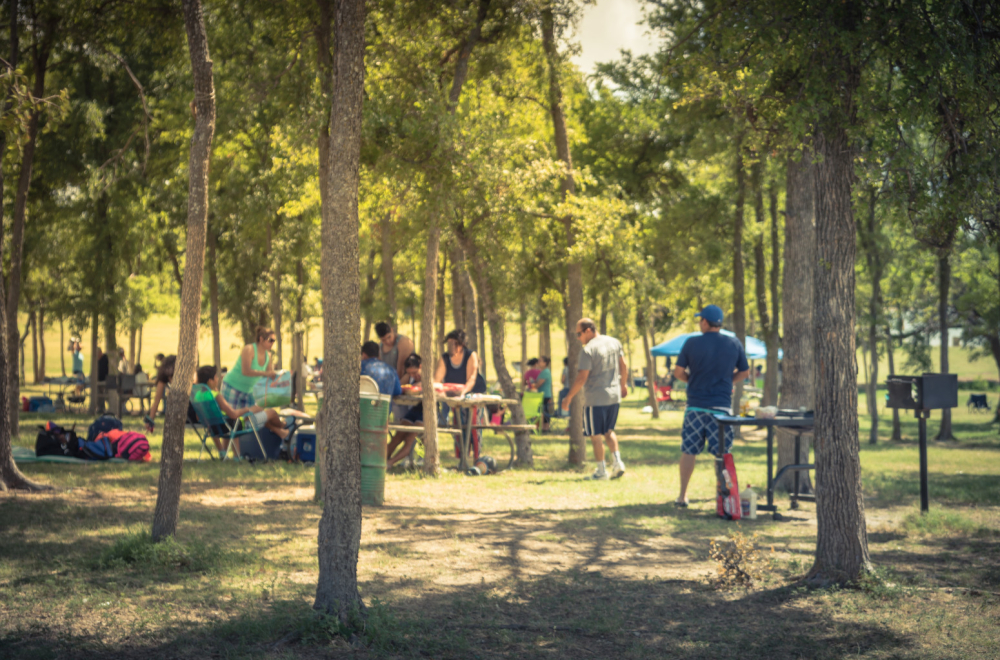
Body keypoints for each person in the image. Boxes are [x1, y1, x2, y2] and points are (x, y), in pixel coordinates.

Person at [672, 304, 750, 507]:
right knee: (722, 454)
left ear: (705, 322)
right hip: (721, 409)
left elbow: (678, 372)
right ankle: (724, 498)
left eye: (700, 320)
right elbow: (745, 372)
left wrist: (694, 381)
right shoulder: (734, 343)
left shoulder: (691, 343)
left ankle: (682, 496)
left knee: (689, 451)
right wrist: (727, 382)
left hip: (695, 408)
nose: (699, 323)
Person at [562, 318, 629, 480]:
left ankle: (601, 471)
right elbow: (624, 365)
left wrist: (568, 397)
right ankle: (618, 463)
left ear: (588, 331)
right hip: (614, 396)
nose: (578, 338)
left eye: (579, 334)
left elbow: (581, 377)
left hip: (595, 398)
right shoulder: (614, 342)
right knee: (609, 431)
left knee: (595, 434)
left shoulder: (588, 350)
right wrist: (623, 385)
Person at [193, 365, 290, 459]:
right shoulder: (216, 396)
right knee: (271, 412)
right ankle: (283, 425)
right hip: (236, 426)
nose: (218, 378)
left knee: (260, 413)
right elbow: (233, 414)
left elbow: (198, 417)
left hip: (215, 428)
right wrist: (249, 409)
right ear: (210, 381)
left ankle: (280, 431)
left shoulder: (198, 396)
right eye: (216, 377)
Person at [435, 329, 487, 461]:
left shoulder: (470, 355)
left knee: (473, 425)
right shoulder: (445, 358)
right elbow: (438, 379)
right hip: (455, 394)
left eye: (454, 343)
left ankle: (477, 458)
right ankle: (462, 458)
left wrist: (463, 393)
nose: (451, 346)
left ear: (462, 344)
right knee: (458, 424)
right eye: (449, 343)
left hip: (473, 393)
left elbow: (471, 379)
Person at [221, 326, 277, 413]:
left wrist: (278, 377)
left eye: (274, 341)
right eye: (271, 340)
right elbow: (246, 371)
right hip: (233, 387)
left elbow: (269, 375)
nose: (273, 343)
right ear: (261, 339)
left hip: (249, 391)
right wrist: (266, 373)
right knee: (230, 418)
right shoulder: (249, 349)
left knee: (248, 420)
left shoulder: (268, 355)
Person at [144, 356, 201, 433]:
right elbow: (157, 400)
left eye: (172, 376)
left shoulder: (189, 377)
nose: (171, 380)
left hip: (192, 412)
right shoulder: (163, 376)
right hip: (178, 414)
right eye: (169, 377)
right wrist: (151, 420)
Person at [387, 353, 424, 468]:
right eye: (410, 373)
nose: (413, 375)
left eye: (415, 372)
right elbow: (398, 387)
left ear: (421, 367)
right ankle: (379, 460)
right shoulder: (409, 377)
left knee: (409, 439)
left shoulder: (428, 377)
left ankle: (390, 463)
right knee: (398, 436)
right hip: (414, 410)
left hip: (426, 413)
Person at [530, 356, 553, 432]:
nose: (538, 363)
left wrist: (533, 384)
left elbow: (538, 384)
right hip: (542, 395)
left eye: (540, 361)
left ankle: (544, 428)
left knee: (543, 412)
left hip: (544, 395)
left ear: (545, 363)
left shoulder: (545, 372)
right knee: (543, 411)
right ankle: (542, 427)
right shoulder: (543, 371)